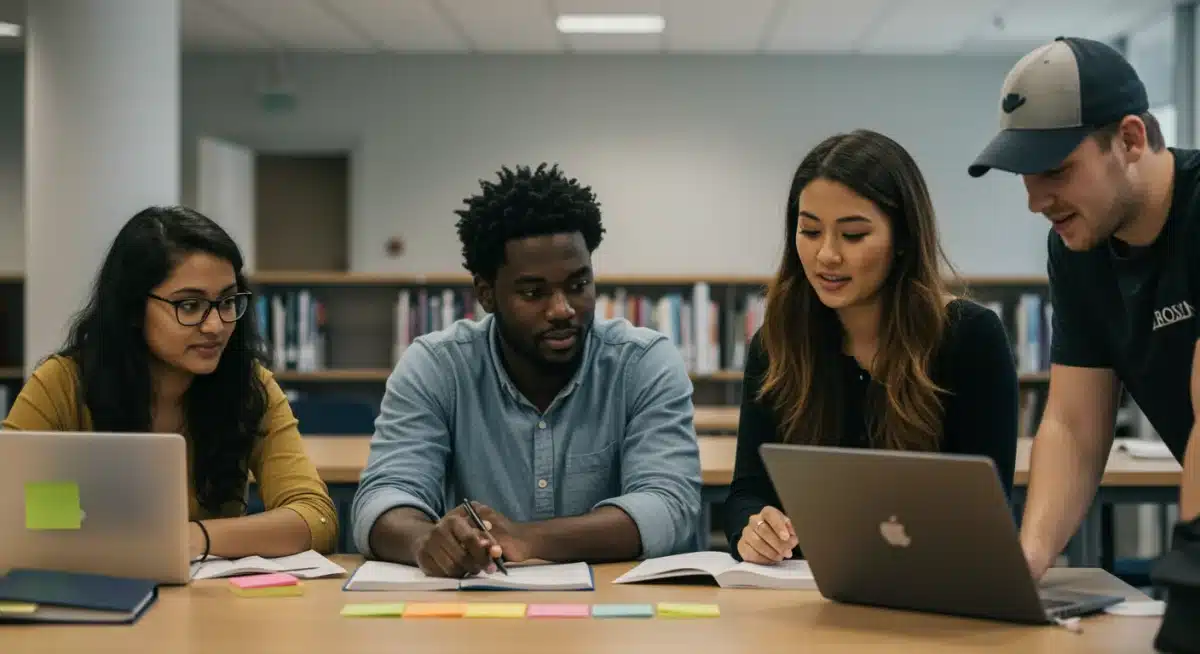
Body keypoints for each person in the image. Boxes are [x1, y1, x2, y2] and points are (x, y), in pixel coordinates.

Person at [350, 163, 702, 577]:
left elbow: (669, 506)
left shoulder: (642, 363)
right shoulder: (436, 366)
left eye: (578, 285)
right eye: (534, 292)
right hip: (477, 616)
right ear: (486, 293)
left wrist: (529, 538)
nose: (562, 310)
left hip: (612, 619)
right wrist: (424, 540)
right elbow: (382, 497)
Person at [725, 129, 1020, 564]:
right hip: (808, 596)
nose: (826, 255)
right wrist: (754, 529)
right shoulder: (776, 343)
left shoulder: (969, 337)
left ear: (902, 238)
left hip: (934, 592)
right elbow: (747, 493)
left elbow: (987, 511)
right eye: (809, 231)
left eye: (853, 235)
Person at [968, 36, 1200, 581]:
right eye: (1025, 175)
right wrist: (1026, 561)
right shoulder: (1079, 249)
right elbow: (1074, 425)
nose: (1035, 201)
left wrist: (1192, 570)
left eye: (1056, 171)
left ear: (1130, 139)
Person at [2, 206, 338, 558]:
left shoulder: (249, 385)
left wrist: (195, 539)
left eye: (227, 301)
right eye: (189, 305)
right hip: (88, 591)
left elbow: (316, 517)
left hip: (208, 603)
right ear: (132, 309)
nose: (216, 326)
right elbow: (8, 506)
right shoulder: (64, 383)